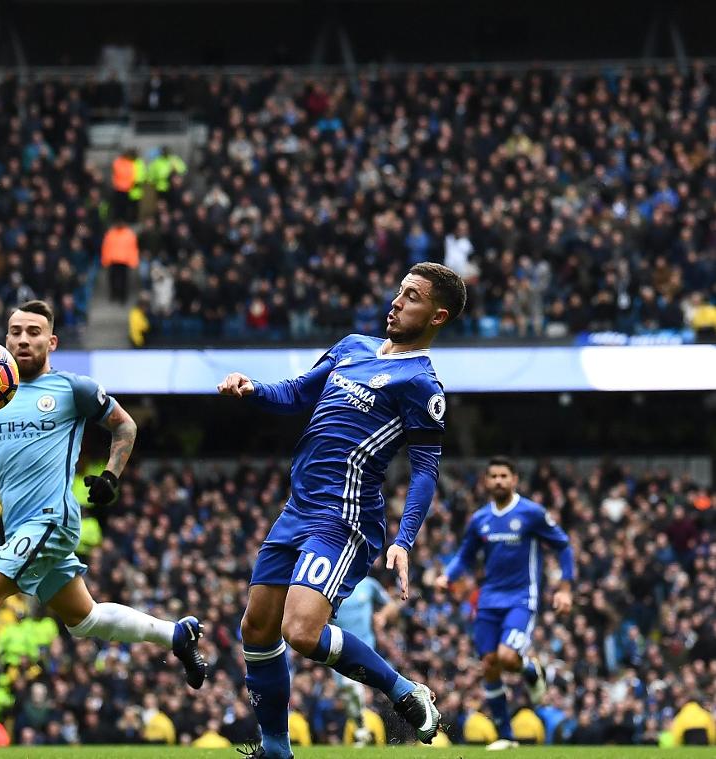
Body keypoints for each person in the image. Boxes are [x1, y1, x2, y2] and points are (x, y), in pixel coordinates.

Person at [0, 300, 207, 751]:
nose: (22, 339)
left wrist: (110, 476)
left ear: (52, 342)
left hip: (52, 520)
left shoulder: (73, 389)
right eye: (14, 331)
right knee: (85, 620)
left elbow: (124, 427)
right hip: (21, 528)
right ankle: (177, 635)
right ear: (4, 340)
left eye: (32, 332)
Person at [218, 262, 466, 757]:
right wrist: (253, 389)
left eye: (412, 297)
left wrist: (404, 539)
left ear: (438, 316)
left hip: (345, 517)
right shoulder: (352, 346)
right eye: (398, 291)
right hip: (298, 508)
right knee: (256, 629)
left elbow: (424, 470)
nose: (396, 302)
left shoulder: (421, 384)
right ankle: (275, 748)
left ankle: (404, 693)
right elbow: (297, 394)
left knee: (300, 630)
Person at [435, 456, 574, 751]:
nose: (498, 481)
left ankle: (529, 670)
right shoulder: (480, 519)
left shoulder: (531, 513)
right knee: (489, 665)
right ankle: (506, 736)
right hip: (488, 600)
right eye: (493, 476)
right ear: (486, 482)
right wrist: (448, 576)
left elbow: (562, 545)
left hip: (522, 597)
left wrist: (564, 588)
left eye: (504, 476)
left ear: (514, 480)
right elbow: (465, 556)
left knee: (508, 657)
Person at [333, 571, 398, 744]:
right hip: (337, 648)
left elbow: (392, 605)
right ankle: (361, 729)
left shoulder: (369, 584)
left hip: (364, 647)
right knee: (348, 695)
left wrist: (382, 616)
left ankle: (363, 731)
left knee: (351, 685)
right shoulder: (332, 585)